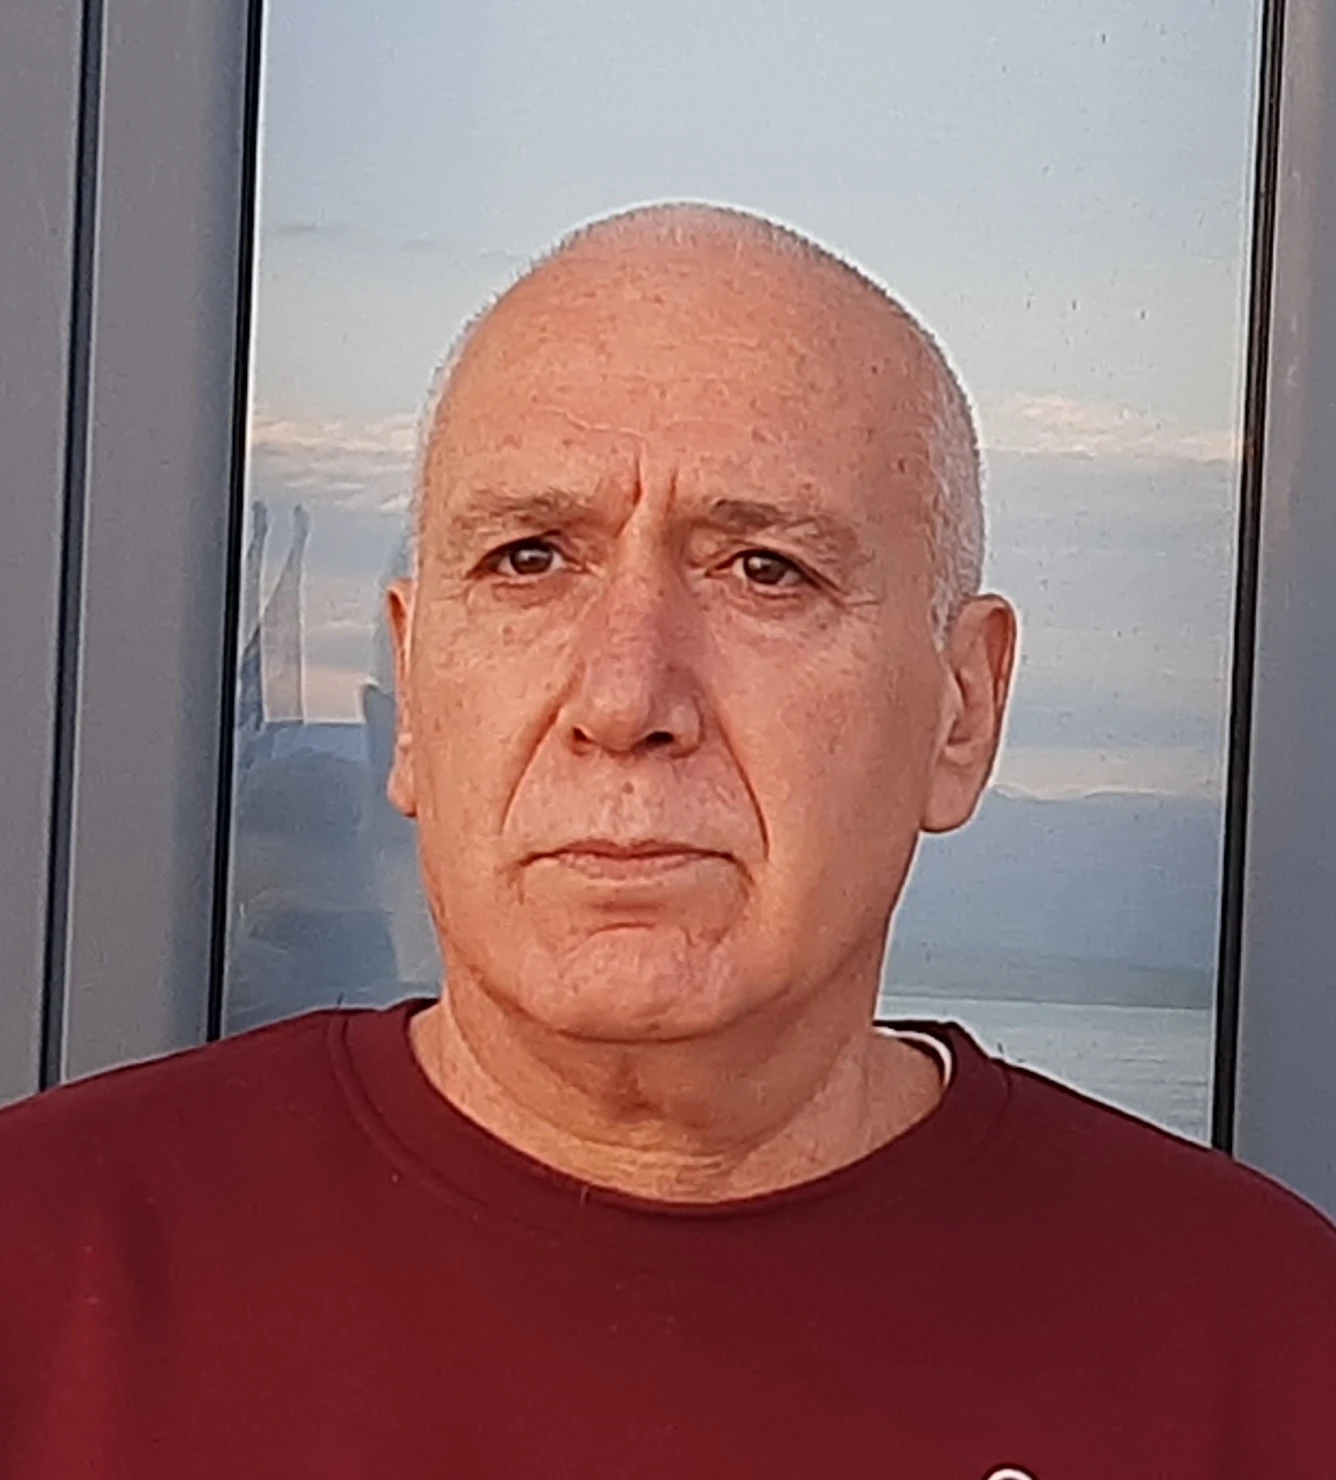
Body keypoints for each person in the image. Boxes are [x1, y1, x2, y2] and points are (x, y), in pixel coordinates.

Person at [3, 202, 1334, 1478]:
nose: (626, 696)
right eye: (530, 559)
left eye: (767, 570)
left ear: (961, 711)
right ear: (411, 691)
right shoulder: (45, 1270)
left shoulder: (1261, 1351)